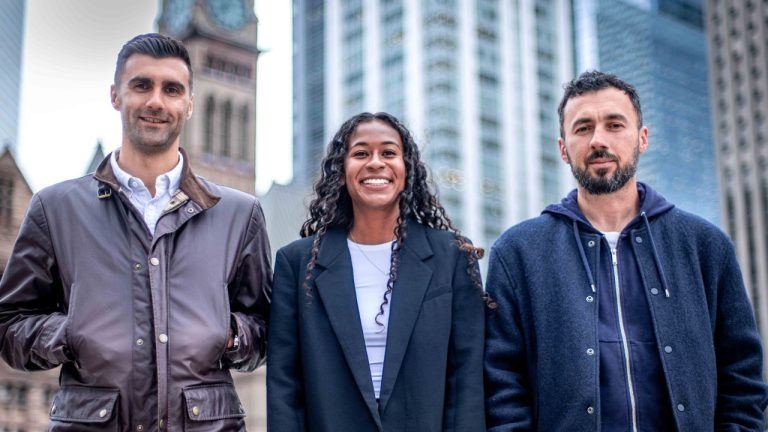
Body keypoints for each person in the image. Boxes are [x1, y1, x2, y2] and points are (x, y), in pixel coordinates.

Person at [0, 33, 271, 431]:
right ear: (115, 95)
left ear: (189, 103)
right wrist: (71, 332)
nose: (156, 101)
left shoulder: (240, 213)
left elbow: (266, 326)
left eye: (172, 89)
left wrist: (228, 335)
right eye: (141, 85)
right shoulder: (54, 208)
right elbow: (9, 324)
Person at [484, 70, 768, 431]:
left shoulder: (705, 246)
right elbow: (502, 384)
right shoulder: (519, 252)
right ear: (562, 148)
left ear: (642, 138)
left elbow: (741, 376)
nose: (598, 140)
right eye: (583, 128)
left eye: (615, 125)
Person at [267, 111, 487, 431]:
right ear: (342, 171)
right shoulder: (296, 264)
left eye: (388, 152)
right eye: (360, 153)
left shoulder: (452, 256)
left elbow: (467, 380)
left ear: (406, 169)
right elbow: (285, 386)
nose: (375, 163)